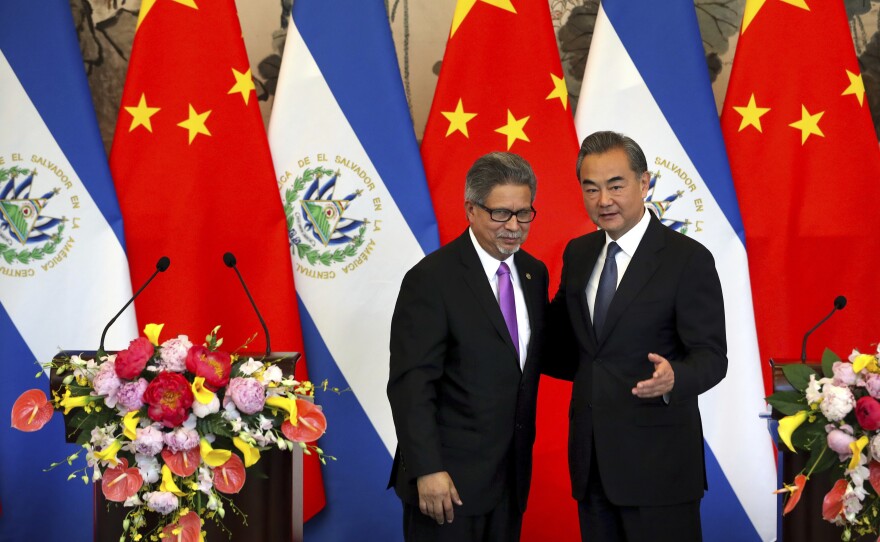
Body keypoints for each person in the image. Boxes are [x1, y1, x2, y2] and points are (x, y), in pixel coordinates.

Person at [544, 131, 727, 542]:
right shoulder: (577, 254)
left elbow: (712, 356)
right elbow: (570, 349)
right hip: (591, 465)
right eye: (591, 188)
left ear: (644, 183)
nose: (603, 200)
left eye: (615, 185)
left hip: (659, 468)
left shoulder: (687, 259)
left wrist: (675, 378)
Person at [387, 151, 549, 542]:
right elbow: (411, 385)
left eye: (524, 213)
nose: (514, 226)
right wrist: (427, 469)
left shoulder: (533, 272)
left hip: (509, 481)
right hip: (447, 487)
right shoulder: (432, 279)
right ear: (471, 210)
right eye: (501, 213)